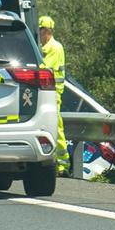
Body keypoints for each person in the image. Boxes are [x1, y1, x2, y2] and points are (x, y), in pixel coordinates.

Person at [37, 14, 67, 173]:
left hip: (54, 94)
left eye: (42, 30)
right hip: (46, 93)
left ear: (48, 31)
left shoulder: (55, 48)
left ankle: (63, 164)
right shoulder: (43, 48)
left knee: (57, 128)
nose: (40, 34)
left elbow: (43, 68)